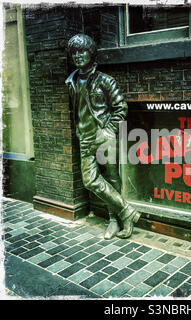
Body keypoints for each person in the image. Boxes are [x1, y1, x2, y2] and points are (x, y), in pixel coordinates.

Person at [65, 34, 140, 239]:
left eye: (83, 51)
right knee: (90, 180)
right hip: (85, 139)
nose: (79, 56)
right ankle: (127, 211)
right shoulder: (71, 82)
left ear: (91, 53)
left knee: (111, 178)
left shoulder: (105, 80)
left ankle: (114, 220)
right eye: (75, 52)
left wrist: (107, 131)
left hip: (104, 137)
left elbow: (120, 108)